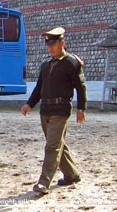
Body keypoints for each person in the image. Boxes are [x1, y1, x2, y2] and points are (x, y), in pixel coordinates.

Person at [20, 27, 87, 195]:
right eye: (48, 45)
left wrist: (82, 108)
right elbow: (39, 88)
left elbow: (81, 87)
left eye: (53, 44)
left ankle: (44, 182)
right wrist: (29, 104)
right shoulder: (45, 65)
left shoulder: (72, 63)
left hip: (61, 110)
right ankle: (72, 175)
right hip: (45, 110)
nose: (50, 48)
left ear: (62, 43)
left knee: (51, 147)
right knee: (57, 145)